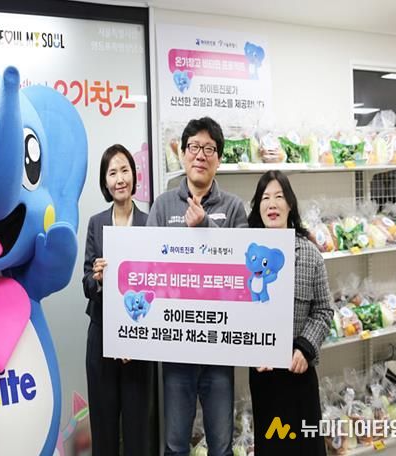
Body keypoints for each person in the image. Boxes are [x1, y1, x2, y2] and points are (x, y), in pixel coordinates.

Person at [147, 117, 248, 456]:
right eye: (193, 147)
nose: (200, 155)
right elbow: (147, 265)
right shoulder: (163, 205)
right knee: (176, 444)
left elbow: (245, 266)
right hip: (177, 347)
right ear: (182, 153)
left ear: (218, 158)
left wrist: (206, 227)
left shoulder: (233, 207)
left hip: (220, 346)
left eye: (209, 149)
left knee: (221, 446)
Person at [247, 170, 333, 456]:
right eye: (265, 198)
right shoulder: (245, 254)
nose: (272, 204)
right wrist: (252, 350)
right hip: (264, 375)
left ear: (290, 204)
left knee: (306, 446)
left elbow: (324, 309)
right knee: (272, 445)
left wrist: (304, 348)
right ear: (258, 207)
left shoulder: (309, 253)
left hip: (299, 371)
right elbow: (237, 313)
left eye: (279, 197)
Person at [82, 144, 157, 456]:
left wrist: (133, 339)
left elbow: (157, 282)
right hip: (101, 336)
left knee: (138, 429)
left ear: (134, 176)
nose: (120, 179)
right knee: (104, 427)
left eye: (124, 170)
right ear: (105, 181)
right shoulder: (96, 223)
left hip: (139, 339)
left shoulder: (150, 222)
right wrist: (97, 279)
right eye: (112, 173)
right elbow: (86, 283)